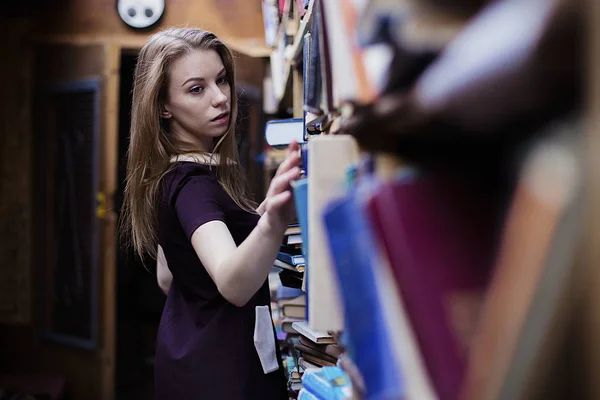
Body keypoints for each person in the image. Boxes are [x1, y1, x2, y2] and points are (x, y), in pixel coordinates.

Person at [120, 27, 301, 399]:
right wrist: (274, 221)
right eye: (196, 89)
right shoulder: (195, 186)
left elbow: (168, 277)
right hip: (222, 372)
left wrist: (254, 227)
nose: (221, 98)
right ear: (162, 106)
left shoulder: (168, 174)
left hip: (187, 356)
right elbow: (233, 285)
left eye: (221, 80)